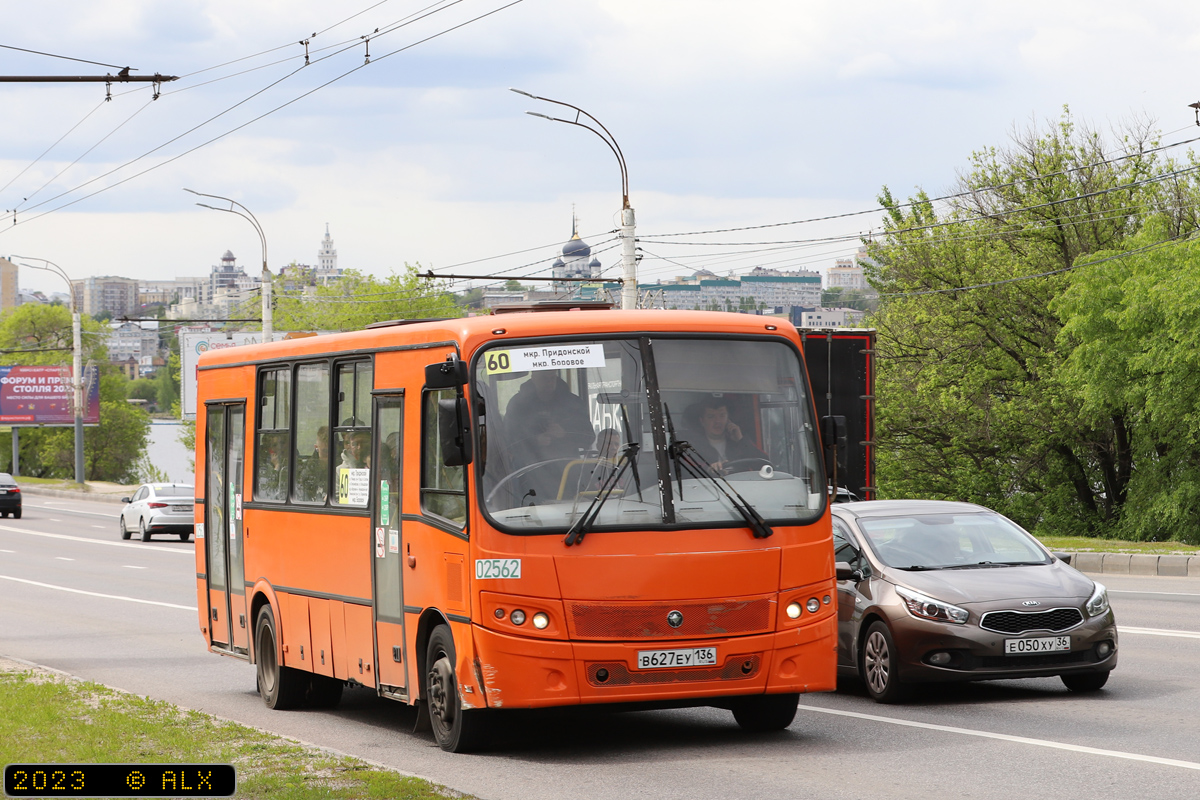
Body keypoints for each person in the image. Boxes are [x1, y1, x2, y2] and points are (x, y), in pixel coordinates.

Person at [504, 370, 594, 464]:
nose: (549, 382)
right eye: (544, 378)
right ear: (533, 378)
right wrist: (535, 440)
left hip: (568, 469)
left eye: (552, 378)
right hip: (528, 470)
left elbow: (589, 437)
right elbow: (508, 439)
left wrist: (565, 433)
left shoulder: (573, 403)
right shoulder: (518, 405)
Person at [685, 398, 767, 473]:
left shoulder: (741, 443)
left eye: (722, 415)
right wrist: (708, 470)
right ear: (702, 421)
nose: (717, 421)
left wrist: (741, 440)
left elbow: (765, 466)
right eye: (711, 416)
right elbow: (687, 471)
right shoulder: (693, 446)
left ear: (728, 419)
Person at [298, 426, 330, 502]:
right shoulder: (308, 471)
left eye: (332, 452)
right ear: (316, 448)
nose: (329, 457)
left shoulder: (340, 467)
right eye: (325, 452)